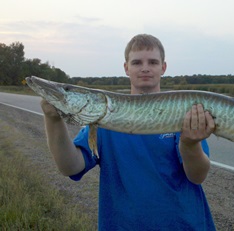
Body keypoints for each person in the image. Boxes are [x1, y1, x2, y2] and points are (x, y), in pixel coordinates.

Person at [41, 34, 217, 230]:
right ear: (126, 68)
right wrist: (53, 119)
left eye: (152, 62)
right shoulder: (104, 122)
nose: (145, 68)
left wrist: (190, 144)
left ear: (163, 67)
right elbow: (70, 167)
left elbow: (197, 176)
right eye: (136, 62)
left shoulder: (181, 113)